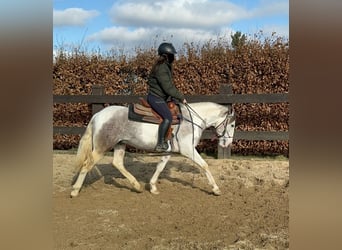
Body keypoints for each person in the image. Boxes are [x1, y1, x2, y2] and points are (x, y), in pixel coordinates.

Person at [147, 42, 187, 152]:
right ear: (167, 56)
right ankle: (160, 143)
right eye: (172, 55)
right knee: (168, 117)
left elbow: (169, 87)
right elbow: (168, 87)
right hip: (156, 98)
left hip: (161, 98)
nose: (174, 57)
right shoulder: (161, 68)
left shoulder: (165, 67)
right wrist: (181, 97)